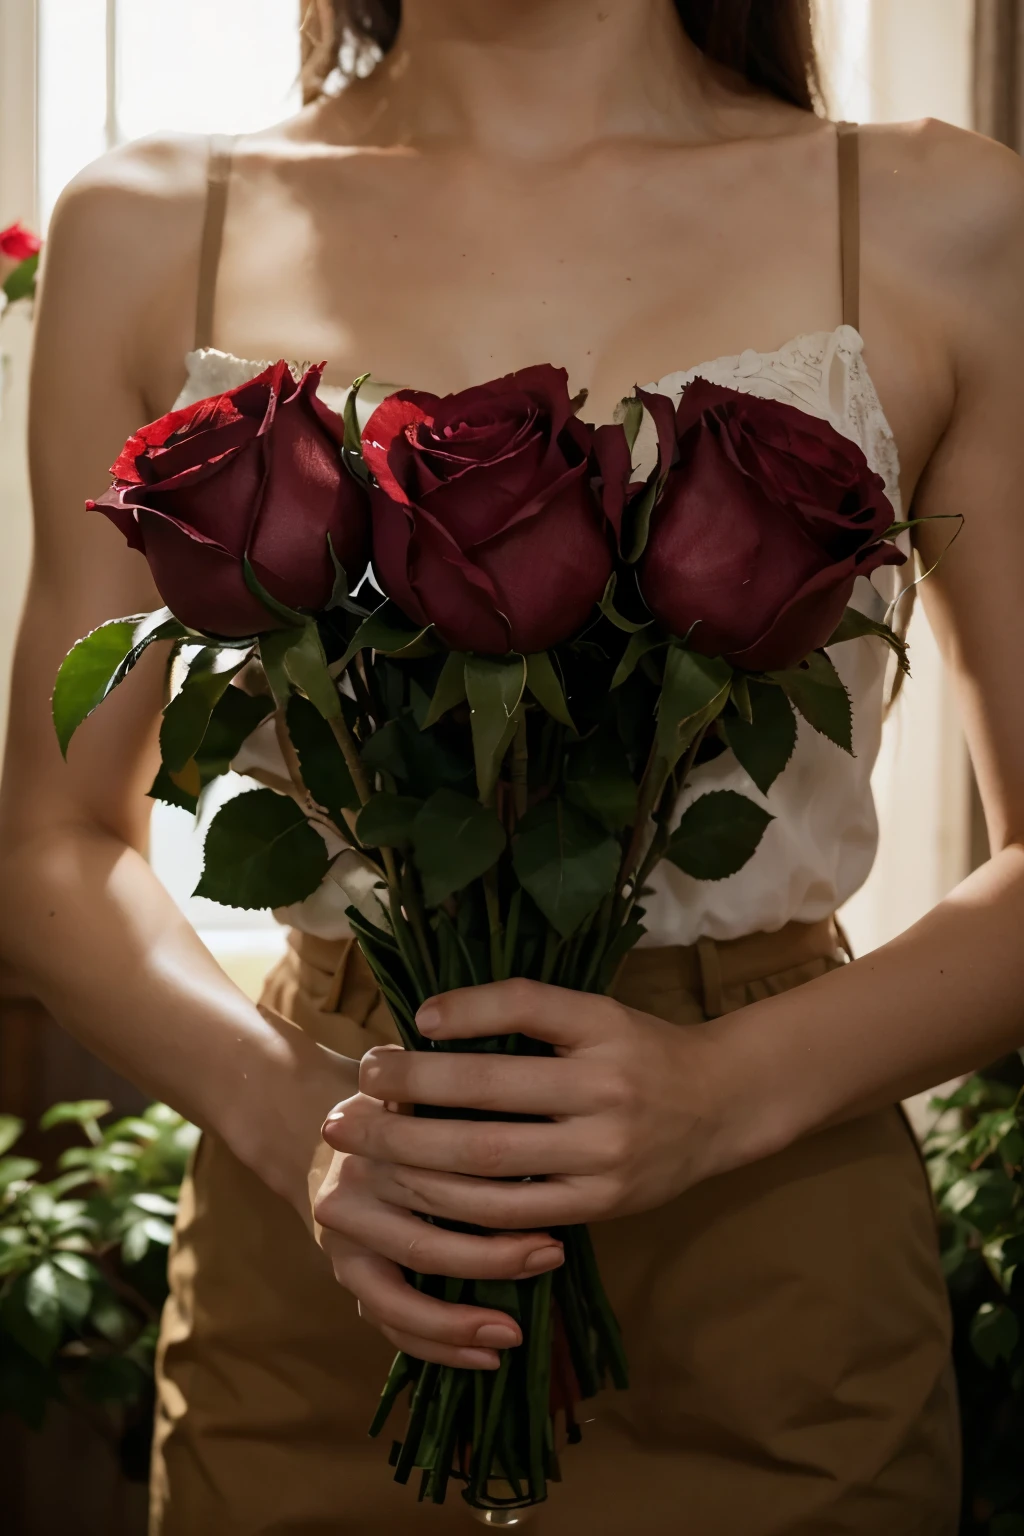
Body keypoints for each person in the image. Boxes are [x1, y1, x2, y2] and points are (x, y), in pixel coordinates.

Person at [3, 0, 1023, 1530]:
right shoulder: (151, 224)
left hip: (779, 1266)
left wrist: (720, 1093)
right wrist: (297, 1127)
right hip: (324, 1243)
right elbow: (48, 845)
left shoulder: (952, 220)